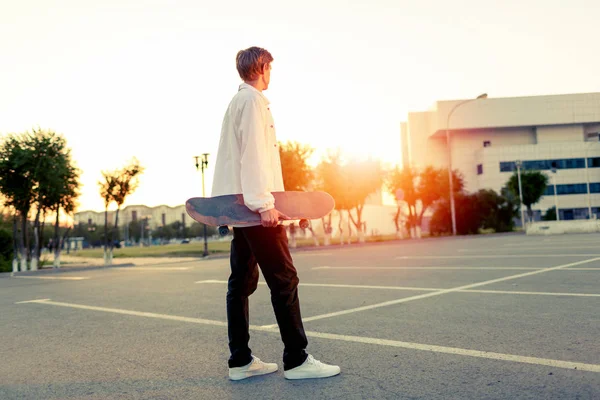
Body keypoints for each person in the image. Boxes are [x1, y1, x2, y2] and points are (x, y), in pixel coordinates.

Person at [211, 46, 341, 381]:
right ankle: (297, 360)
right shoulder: (253, 102)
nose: (272, 73)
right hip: (255, 212)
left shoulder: (237, 101)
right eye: (271, 67)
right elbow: (253, 156)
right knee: (284, 280)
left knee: (240, 284)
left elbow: (234, 159)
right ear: (263, 67)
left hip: (241, 210)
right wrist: (264, 204)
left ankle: (240, 361)